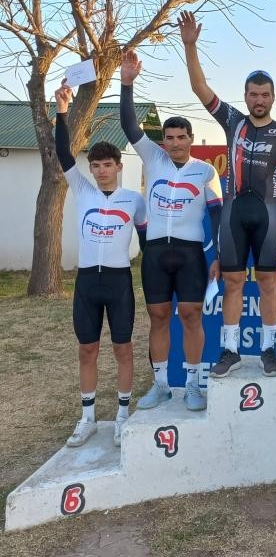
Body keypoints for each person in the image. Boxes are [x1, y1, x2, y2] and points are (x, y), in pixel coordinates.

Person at [178, 10, 276, 378]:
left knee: (268, 283)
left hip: (268, 215)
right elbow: (199, 88)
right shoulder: (233, 121)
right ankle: (230, 350)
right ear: (245, 96)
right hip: (233, 215)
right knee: (233, 282)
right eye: (253, 94)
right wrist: (190, 46)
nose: (259, 99)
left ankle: (268, 350)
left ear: (273, 97)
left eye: (265, 95)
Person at [120, 50, 223, 411]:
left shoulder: (206, 171)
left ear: (191, 138)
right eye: (170, 137)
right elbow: (129, 126)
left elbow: (218, 218)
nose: (175, 142)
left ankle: (193, 384)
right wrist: (127, 84)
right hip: (156, 254)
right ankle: (161, 384)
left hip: (191, 254)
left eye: (181, 137)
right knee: (159, 318)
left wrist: (218, 257)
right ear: (162, 140)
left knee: (191, 317)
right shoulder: (153, 158)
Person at [54, 81, 147, 447]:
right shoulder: (83, 190)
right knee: (87, 349)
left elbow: (148, 244)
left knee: (123, 348)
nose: (102, 170)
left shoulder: (134, 200)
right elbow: (63, 153)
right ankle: (88, 417)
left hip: (118, 281)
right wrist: (62, 110)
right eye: (96, 166)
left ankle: (122, 415)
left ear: (119, 166)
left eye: (108, 165)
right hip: (87, 283)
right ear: (90, 169)